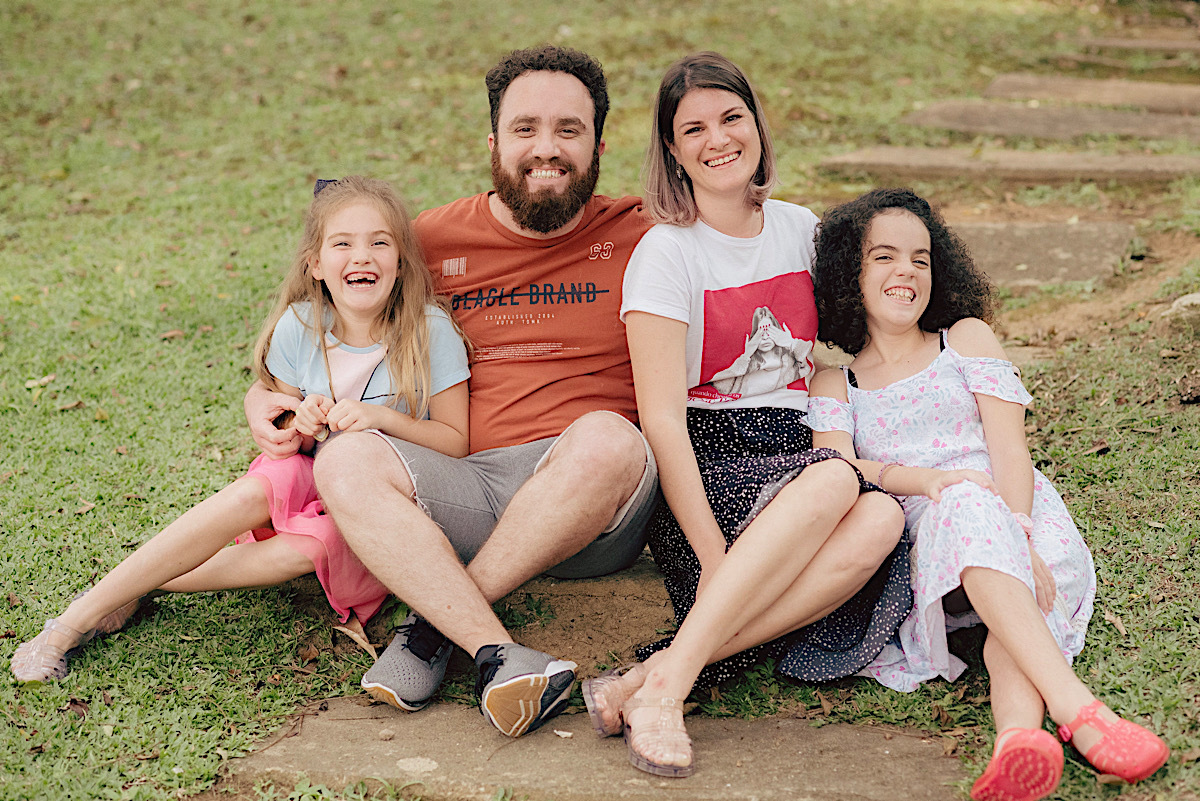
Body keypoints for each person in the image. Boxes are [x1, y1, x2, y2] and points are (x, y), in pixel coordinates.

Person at [242, 46, 657, 738]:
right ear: (493, 143)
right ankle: (496, 652)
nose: (546, 149)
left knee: (607, 437)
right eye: (524, 129)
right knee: (348, 456)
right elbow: (326, 315)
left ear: (599, 146)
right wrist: (262, 400)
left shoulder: (645, 234)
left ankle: (432, 628)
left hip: (596, 504)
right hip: (465, 485)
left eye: (569, 130)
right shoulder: (427, 241)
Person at [583, 52, 910, 778]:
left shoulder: (801, 230)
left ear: (757, 125)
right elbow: (661, 421)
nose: (718, 139)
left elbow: (856, 342)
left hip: (797, 453)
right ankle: (667, 692)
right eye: (693, 129)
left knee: (883, 518)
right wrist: (712, 559)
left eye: (731, 118)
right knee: (837, 481)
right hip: (708, 466)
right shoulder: (665, 254)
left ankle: (653, 675)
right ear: (672, 150)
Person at [11, 176, 470, 685]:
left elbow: (456, 441)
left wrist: (381, 419)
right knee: (261, 485)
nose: (362, 256)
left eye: (379, 242)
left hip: (381, 501)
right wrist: (297, 422)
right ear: (316, 264)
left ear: (401, 262)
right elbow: (279, 418)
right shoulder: (301, 325)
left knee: (317, 543)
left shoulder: (429, 330)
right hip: (308, 474)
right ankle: (68, 625)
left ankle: (140, 585)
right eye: (342, 243)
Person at [807, 187, 1169, 800]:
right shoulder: (834, 381)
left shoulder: (965, 339)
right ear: (850, 274)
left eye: (921, 259)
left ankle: (1017, 742)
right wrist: (930, 482)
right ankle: (1082, 712)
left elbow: (1009, 451)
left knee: (1012, 612)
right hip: (931, 547)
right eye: (884, 257)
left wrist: (1020, 535)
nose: (906, 272)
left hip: (1019, 515)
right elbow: (842, 469)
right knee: (962, 499)